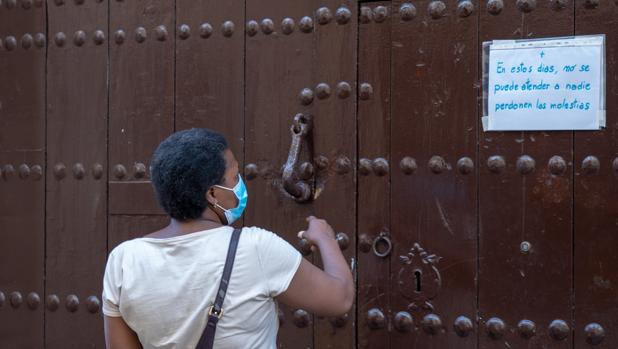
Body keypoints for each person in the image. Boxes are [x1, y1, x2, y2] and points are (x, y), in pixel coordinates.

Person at [102, 128, 354, 349]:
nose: (240, 184)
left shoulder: (123, 259)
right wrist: (325, 239)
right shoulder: (255, 247)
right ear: (213, 194)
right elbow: (339, 298)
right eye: (234, 177)